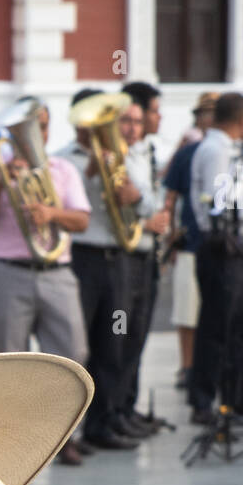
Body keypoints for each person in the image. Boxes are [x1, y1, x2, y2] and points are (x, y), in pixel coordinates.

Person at [0, 100, 90, 464]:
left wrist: (50, 212)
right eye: (26, 128)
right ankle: (12, 440)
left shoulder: (63, 169)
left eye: (40, 127)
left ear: (48, 131)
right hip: (8, 270)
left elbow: (81, 221)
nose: (33, 135)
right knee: (11, 359)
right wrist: (5, 182)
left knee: (73, 353)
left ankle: (66, 437)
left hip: (57, 272)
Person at [57, 89, 158, 450]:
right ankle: (73, 431)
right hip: (82, 258)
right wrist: (89, 174)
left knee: (113, 342)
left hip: (118, 262)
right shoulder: (63, 160)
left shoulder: (123, 157)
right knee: (79, 347)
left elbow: (149, 202)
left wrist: (134, 195)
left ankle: (106, 420)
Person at [188, 93, 243, 423]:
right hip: (222, 247)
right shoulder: (216, 149)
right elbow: (218, 200)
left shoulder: (231, 149)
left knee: (238, 327)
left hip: (239, 247)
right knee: (216, 328)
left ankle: (234, 398)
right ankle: (204, 401)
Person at [118, 82, 172, 434]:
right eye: (153, 110)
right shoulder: (119, 155)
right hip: (126, 256)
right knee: (118, 339)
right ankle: (113, 413)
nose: (158, 117)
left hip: (148, 256)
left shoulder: (149, 152)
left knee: (137, 335)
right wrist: (145, 218)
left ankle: (128, 406)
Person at [161, 136, 204, 390]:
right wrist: (172, 236)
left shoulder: (235, 152)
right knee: (187, 311)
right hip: (189, 244)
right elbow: (171, 195)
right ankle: (188, 366)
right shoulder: (186, 152)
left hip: (223, 247)